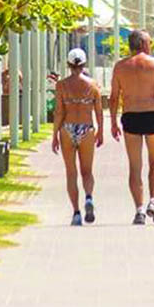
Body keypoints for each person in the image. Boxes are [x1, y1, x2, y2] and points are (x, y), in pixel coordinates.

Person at [109, 29, 154, 226]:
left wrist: (112, 121)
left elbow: (113, 97)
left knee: (135, 166)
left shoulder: (120, 67)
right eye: (150, 43)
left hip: (131, 116)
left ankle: (139, 211)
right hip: (151, 114)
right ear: (144, 44)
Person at [52, 48, 103, 226]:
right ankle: (88, 197)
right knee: (87, 171)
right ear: (84, 64)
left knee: (71, 172)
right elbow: (98, 111)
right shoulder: (93, 84)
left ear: (68, 65)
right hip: (86, 128)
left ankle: (76, 212)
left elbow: (59, 112)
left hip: (67, 128)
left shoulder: (62, 85)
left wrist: (54, 135)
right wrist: (101, 131)